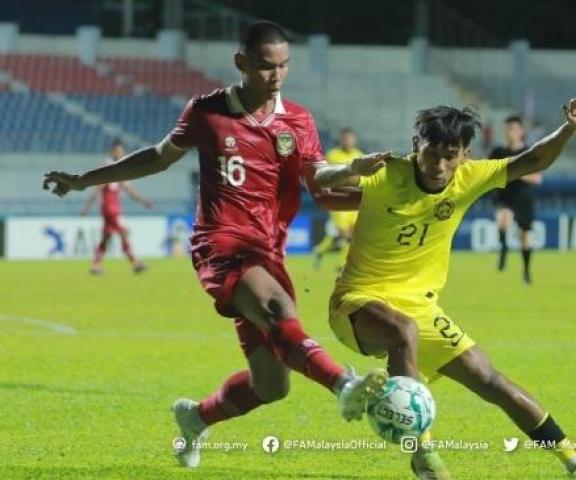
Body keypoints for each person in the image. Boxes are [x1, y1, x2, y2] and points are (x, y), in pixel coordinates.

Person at [43, 21, 388, 470]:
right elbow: (157, 157)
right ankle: (344, 385)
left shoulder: (298, 120)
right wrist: (83, 179)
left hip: (267, 250)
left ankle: (195, 416)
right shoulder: (206, 111)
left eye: (284, 65)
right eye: (266, 66)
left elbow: (318, 181)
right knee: (278, 309)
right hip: (220, 242)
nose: (277, 75)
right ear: (241, 63)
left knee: (272, 386)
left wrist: (354, 176)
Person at [315, 99, 576, 479]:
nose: (439, 166)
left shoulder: (469, 176)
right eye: (430, 153)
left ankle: (574, 462)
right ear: (415, 144)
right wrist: (350, 169)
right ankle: (422, 453)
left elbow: (533, 160)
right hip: (356, 302)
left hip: (421, 307)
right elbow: (318, 180)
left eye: (449, 156)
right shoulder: (385, 171)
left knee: (490, 379)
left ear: (464, 155)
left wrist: (570, 128)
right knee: (401, 331)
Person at [79, 139, 153, 275]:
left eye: (122, 151)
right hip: (111, 208)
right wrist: (87, 206)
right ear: (113, 151)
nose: (121, 153)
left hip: (109, 208)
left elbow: (127, 188)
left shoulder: (117, 167)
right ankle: (135, 262)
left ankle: (96, 265)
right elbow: (98, 187)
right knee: (123, 233)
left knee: (106, 237)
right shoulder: (109, 167)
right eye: (119, 150)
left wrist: (143, 201)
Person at [489, 116, 542, 284]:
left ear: (521, 132)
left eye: (513, 128)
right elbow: (488, 171)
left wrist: (516, 172)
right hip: (504, 195)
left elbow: (537, 178)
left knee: (525, 235)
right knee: (503, 221)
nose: (509, 132)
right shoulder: (497, 152)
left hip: (523, 197)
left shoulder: (529, 152)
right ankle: (504, 247)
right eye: (507, 128)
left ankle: (526, 271)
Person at [313, 127, 364, 271]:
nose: (348, 141)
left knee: (353, 233)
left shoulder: (359, 155)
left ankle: (320, 251)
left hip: (354, 199)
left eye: (350, 138)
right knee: (344, 233)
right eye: (345, 138)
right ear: (341, 139)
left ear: (354, 140)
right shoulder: (332, 155)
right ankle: (343, 264)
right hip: (338, 199)